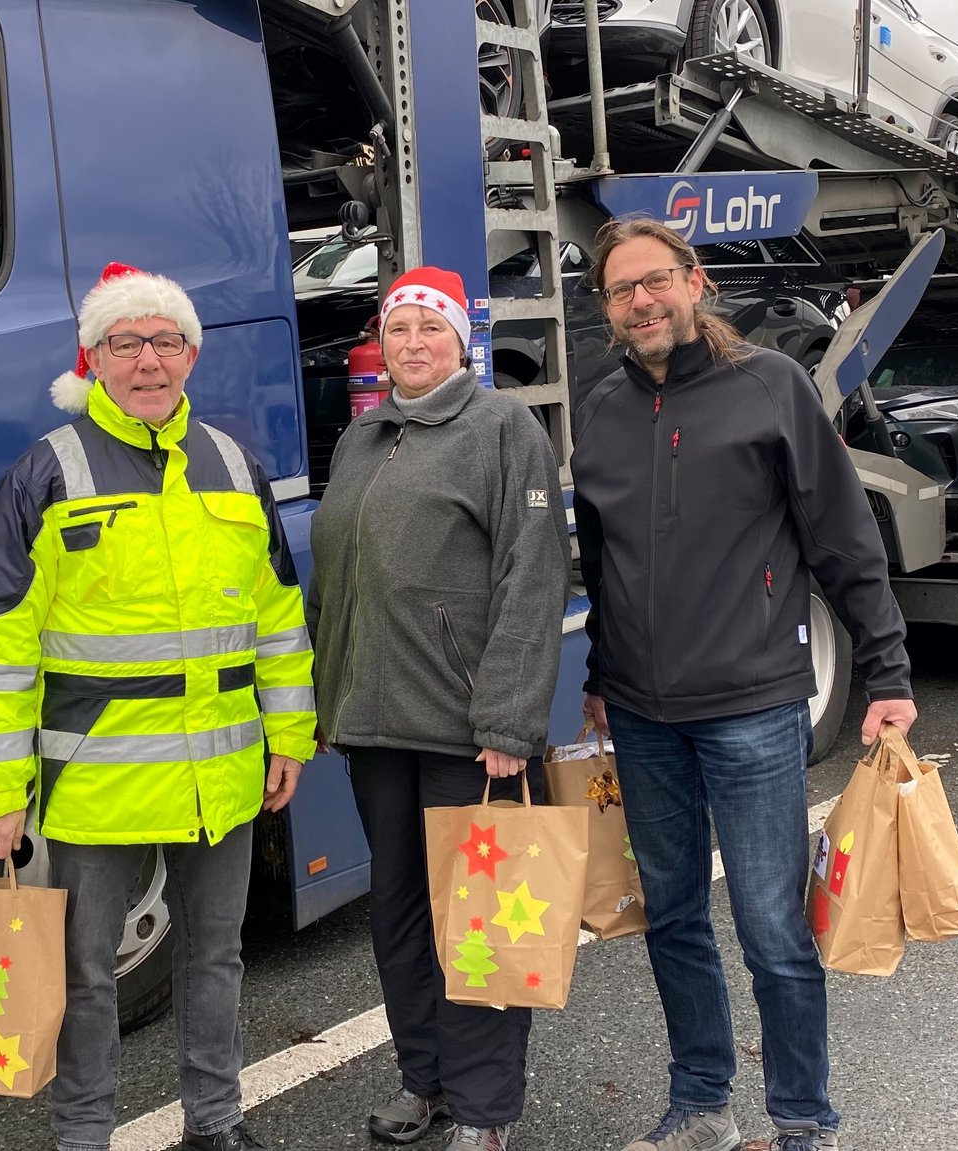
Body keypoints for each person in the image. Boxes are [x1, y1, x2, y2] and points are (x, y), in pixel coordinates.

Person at [570, 217, 918, 1151]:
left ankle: (804, 1121)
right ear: (606, 310)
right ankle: (701, 1106)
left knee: (772, 926)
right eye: (620, 291)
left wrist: (885, 669)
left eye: (655, 281)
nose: (641, 301)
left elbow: (845, 536)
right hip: (642, 713)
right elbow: (603, 565)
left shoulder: (772, 386)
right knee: (673, 917)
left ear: (695, 281)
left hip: (755, 705)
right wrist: (600, 675)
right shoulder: (601, 411)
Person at [0, 263, 317, 1151]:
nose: (147, 359)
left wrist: (290, 734)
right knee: (86, 975)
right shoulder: (47, 471)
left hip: (221, 776)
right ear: (94, 359)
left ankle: (216, 1123)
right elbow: (1, 645)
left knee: (216, 956)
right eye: (126, 342)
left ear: (191, 355)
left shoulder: (236, 466)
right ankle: (84, 1135)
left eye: (164, 340)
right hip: (98, 778)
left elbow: (278, 616)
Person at [308, 267, 568, 1151]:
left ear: (463, 342)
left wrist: (506, 724)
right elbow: (338, 580)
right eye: (399, 329)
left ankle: (487, 1111)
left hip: (468, 732)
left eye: (431, 328)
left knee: (485, 924)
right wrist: (323, 694)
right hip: (376, 728)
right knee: (401, 914)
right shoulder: (361, 436)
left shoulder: (503, 430)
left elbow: (532, 581)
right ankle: (427, 1082)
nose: (413, 343)